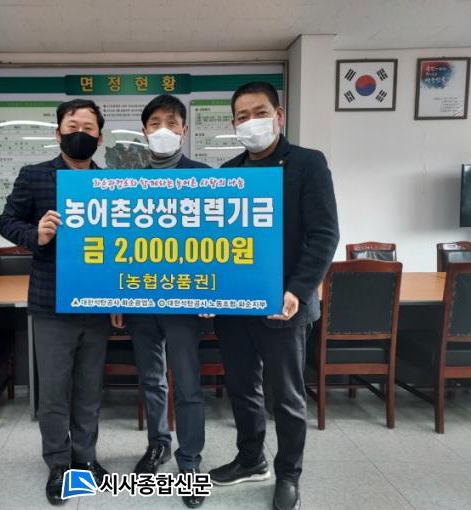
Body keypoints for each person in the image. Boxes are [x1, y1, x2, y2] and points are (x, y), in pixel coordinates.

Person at [208, 82, 339, 510]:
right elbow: (217, 241)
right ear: (234, 124)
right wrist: (208, 293)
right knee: (242, 386)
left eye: (260, 113)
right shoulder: (228, 173)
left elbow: (324, 235)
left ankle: (289, 474)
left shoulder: (307, 164)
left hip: (285, 303)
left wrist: (297, 290)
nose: (252, 122)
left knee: (286, 395)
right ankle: (251, 459)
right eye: (242, 116)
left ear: (279, 116)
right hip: (235, 304)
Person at [0, 99, 110, 506]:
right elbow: (7, 221)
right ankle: (59, 464)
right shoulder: (35, 176)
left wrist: (118, 298)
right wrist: (37, 235)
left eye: (88, 127)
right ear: (57, 132)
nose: (80, 133)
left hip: (97, 303)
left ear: (100, 137)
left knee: (89, 389)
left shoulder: (110, 184)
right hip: (51, 304)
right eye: (72, 125)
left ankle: (86, 458)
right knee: (54, 391)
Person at [111, 94, 210, 509]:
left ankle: (190, 461)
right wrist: (116, 299)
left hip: (185, 297)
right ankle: (159, 444)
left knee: (186, 382)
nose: (163, 130)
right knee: (152, 379)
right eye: (155, 123)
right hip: (139, 296)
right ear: (144, 131)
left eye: (172, 122)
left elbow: (216, 242)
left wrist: (213, 292)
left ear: (184, 130)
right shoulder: (127, 180)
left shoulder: (205, 179)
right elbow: (116, 243)